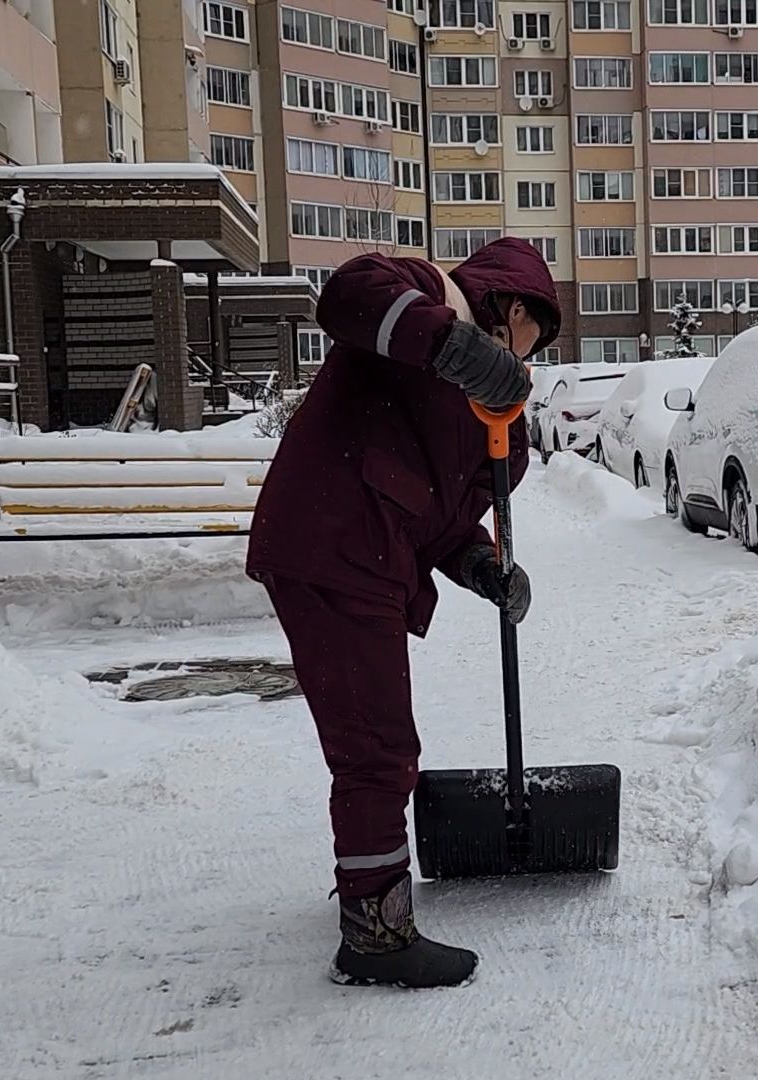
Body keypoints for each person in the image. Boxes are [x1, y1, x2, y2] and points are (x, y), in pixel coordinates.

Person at [247, 238, 560, 989]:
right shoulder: (423, 296)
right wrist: (452, 345)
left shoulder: (499, 434)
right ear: (513, 309)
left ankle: (371, 888)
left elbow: (446, 521)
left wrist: (482, 564)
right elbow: (346, 295)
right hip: (332, 543)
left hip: (370, 563)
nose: (526, 363)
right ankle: (376, 935)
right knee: (377, 748)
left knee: (376, 740)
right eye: (530, 343)